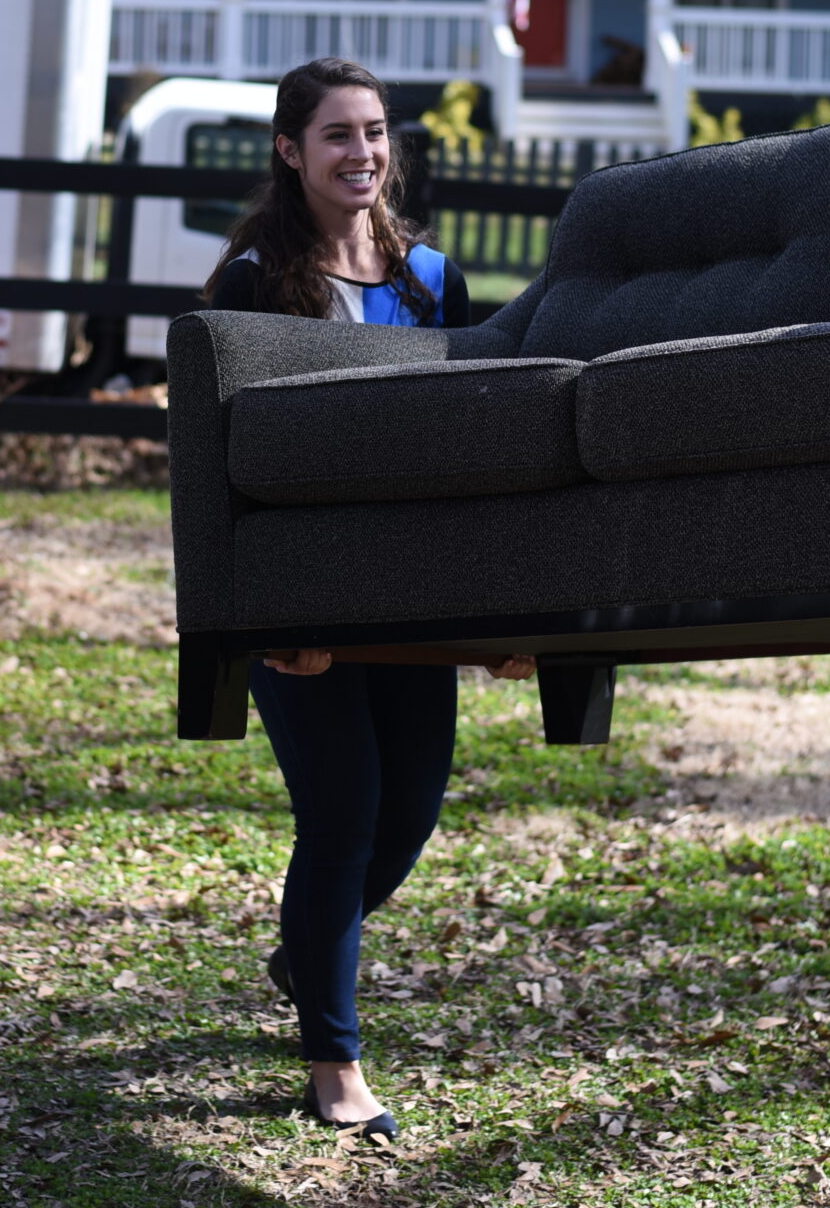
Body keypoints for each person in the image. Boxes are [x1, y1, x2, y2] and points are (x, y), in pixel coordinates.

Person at [206, 57, 533, 1139]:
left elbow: (470, 445)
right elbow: (221, 466)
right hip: (298, 606)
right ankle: (335, 1063)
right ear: (289, 152)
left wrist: (498, 616)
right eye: (337, 134)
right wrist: (268, 619)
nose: (361, 153)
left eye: (375, 132)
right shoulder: (252, 283)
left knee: (407, 817)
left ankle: (307, 949)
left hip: (416, 600)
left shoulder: (432, 278)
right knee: (340, 816)